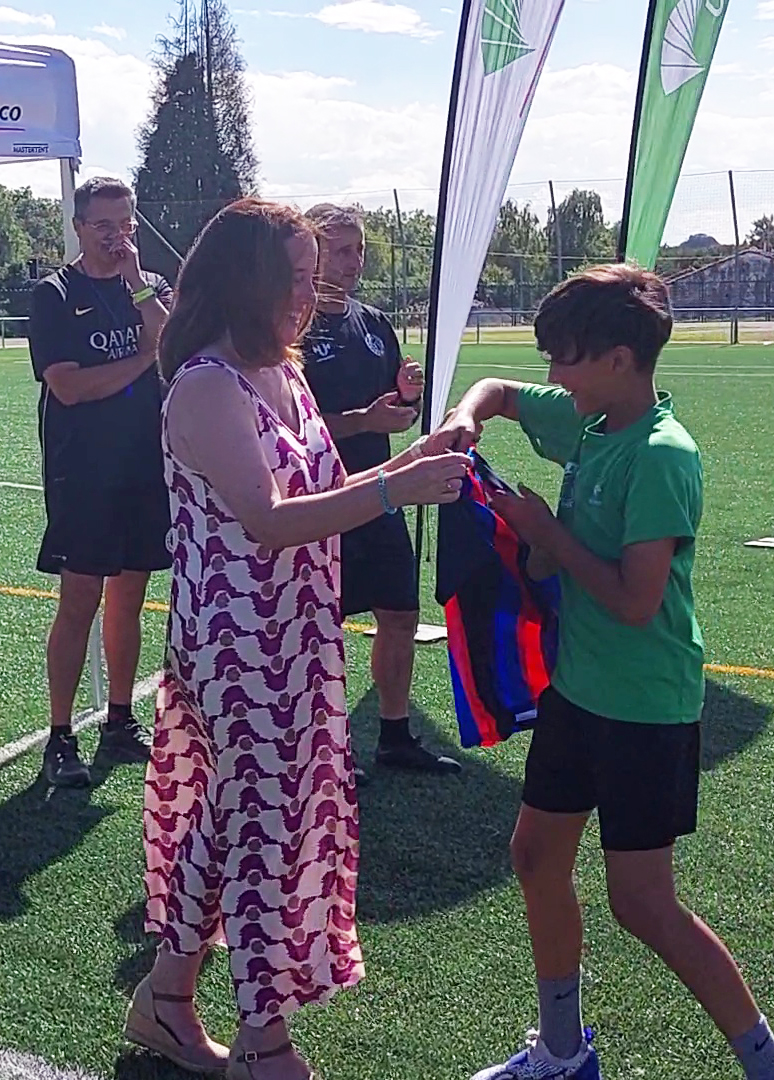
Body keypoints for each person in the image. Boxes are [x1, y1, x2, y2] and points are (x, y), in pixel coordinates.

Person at [125, 198, 468, 1079]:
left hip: (297, 634)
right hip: (236, 647)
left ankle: (165, 1000)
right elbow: (268, 519)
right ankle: (262, 1040)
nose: (311, 298)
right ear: (247, 281)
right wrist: (396, 492)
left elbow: (324, 481)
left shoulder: (284, 369)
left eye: (315, 279)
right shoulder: (205, 385)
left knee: (235, 817)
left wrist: (412, 460)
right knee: (266, 833)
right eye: (297, 278)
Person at [433, 264, 774, 1080]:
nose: (553, 376)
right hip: (578, 693)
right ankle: (561, 1052)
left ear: (621, 360)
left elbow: (633, 601)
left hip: (644, 706)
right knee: (536, 856)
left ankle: (763, 1059)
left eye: (568, 359)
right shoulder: (591, 421)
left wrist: (543, 534)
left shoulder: (661, 455)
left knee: (643, 904)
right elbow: (498, 391)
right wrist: (463, 420)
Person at [301, 203, 460, 776]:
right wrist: (361, 421)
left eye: (359, 249)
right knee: (324, 623)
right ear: (311, 251)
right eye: (341, 250)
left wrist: (407, 393)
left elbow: (393, 408)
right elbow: (288, 424)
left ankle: (395, 735)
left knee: (399, 611)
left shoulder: (371, 323)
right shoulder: (289, 325)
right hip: (318, 498)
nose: (354, 262)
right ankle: (326, 750)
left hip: (382, 489)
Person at [29, 176, 173, 788]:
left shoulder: (150, 285)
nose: (116, 236)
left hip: (144, 466)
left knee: (131, 596)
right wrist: (142, 362)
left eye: (125, 223)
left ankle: (119, 721)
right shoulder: (55, 293)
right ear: (80, 228)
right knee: (79, 599)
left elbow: (176, 348)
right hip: (82, 471)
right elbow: (70, 386)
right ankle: (60, 736)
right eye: (103, 226)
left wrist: (139, 283)